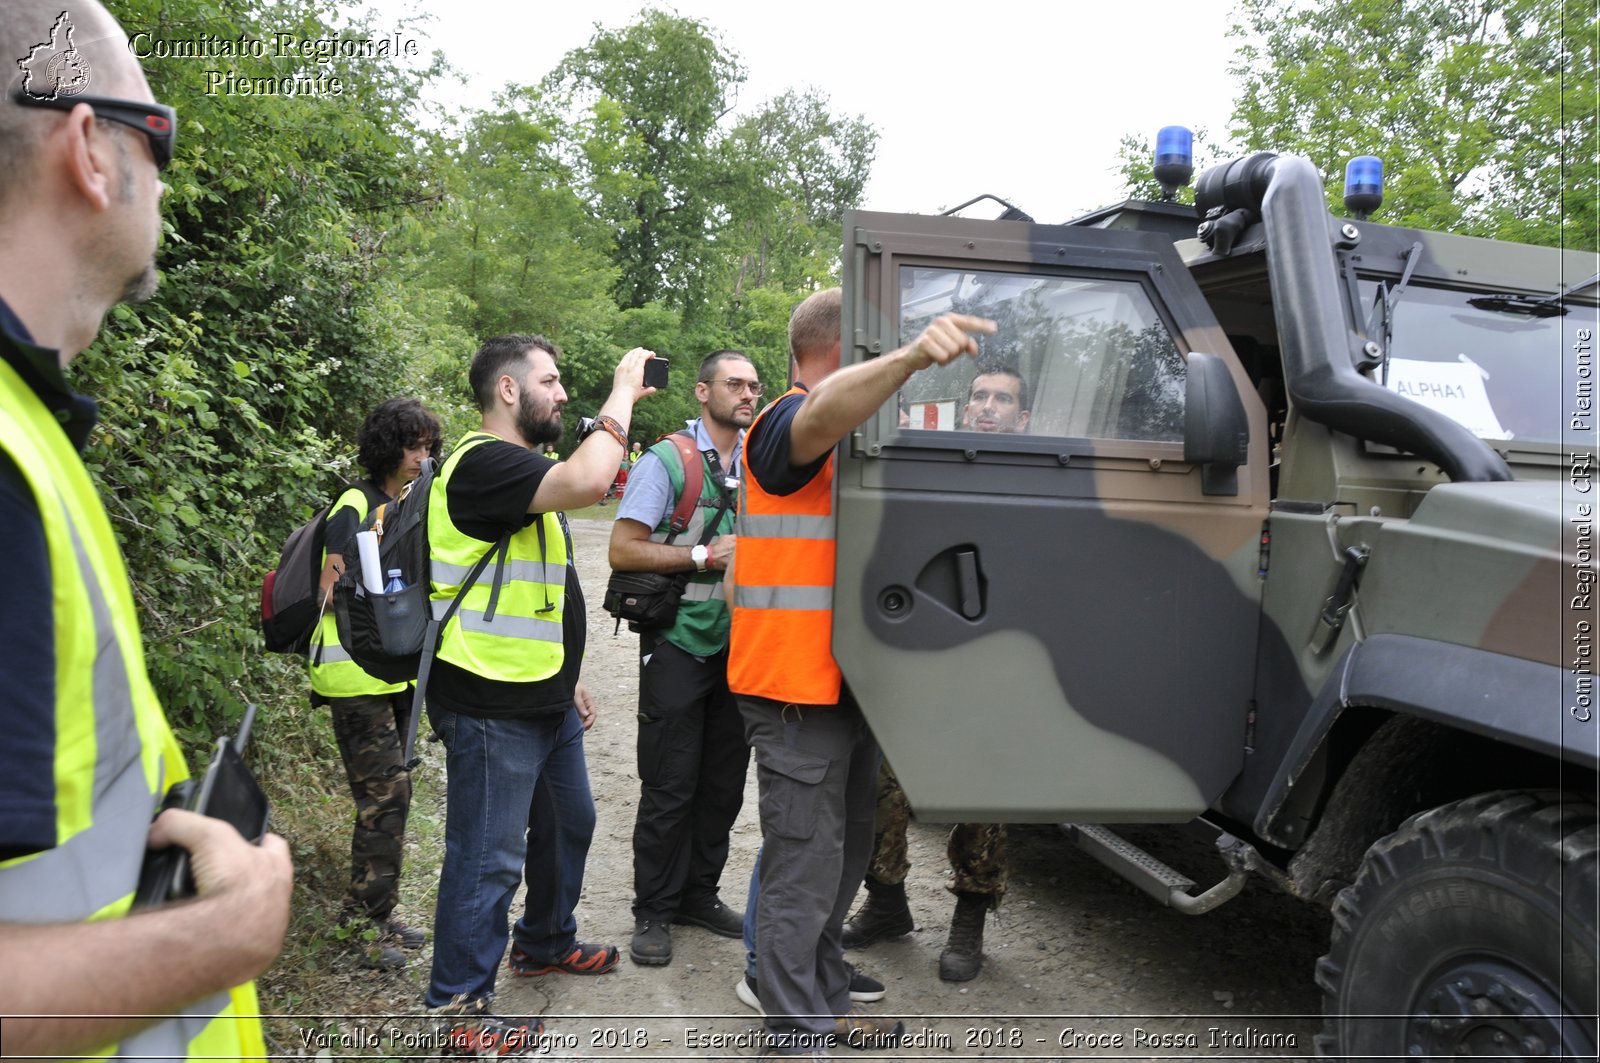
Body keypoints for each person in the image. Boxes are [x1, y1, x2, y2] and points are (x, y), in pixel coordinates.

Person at [0, 2, 292, 1056]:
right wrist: (233, 925)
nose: (165, 180)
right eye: (155, 138)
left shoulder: (27, 429)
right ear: (88, 148)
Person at [728, 287, 995, 1057]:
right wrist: (912, 356)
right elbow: (815, 417)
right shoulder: (783, 419)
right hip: (792, 691)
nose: (890, 360)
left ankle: (823, 999)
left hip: (844, 687)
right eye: (877, 347)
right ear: (842, 348)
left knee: (840, 860)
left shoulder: (848, 433)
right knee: (803, 866)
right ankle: (793, 1026)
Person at [423, 334, 655, 1052]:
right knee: (486, 857)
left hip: (541, 694)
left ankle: (544, 940)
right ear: (508, 391)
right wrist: (622, 390)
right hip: (490, 701)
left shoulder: (522, 470)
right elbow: (593, 481)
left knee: (570, 821)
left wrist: (569, 674)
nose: (562, 393)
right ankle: (458, 1008)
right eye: (550, 381)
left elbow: (535, 591)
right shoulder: (481, 463)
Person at [841, 363, 1025, 980]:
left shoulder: (1039, 485)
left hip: (995, 668)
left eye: (1003, 399)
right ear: (964, 408)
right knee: (880, 788)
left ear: (1023, 419)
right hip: (920, 662)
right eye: (980, 396)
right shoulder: (927, 470)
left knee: (982, 795)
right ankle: (887, 904)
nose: (989, 406)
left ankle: (969, 920)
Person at [610, 350, 757, 966]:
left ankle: (699, 894)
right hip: (677, 642)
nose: (747, 395)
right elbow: (622, 548)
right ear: (702, 392)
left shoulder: (761, 460)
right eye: (734, 384)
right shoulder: (666, 459)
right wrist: (701, 558)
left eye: (754, 385)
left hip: (742, 649)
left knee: (723, 786)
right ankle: (654, 911)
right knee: (670, 784)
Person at [310, 397, 441, 969]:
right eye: (413, 446)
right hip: (351, 671)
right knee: (387, 794)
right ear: (389, 447)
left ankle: (379, 913)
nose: (422, 457)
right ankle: (359, 932)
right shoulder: (356, 503)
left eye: (429, 447)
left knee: (391, 793)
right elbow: (330, 590)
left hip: (389, 670)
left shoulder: (405, 505)